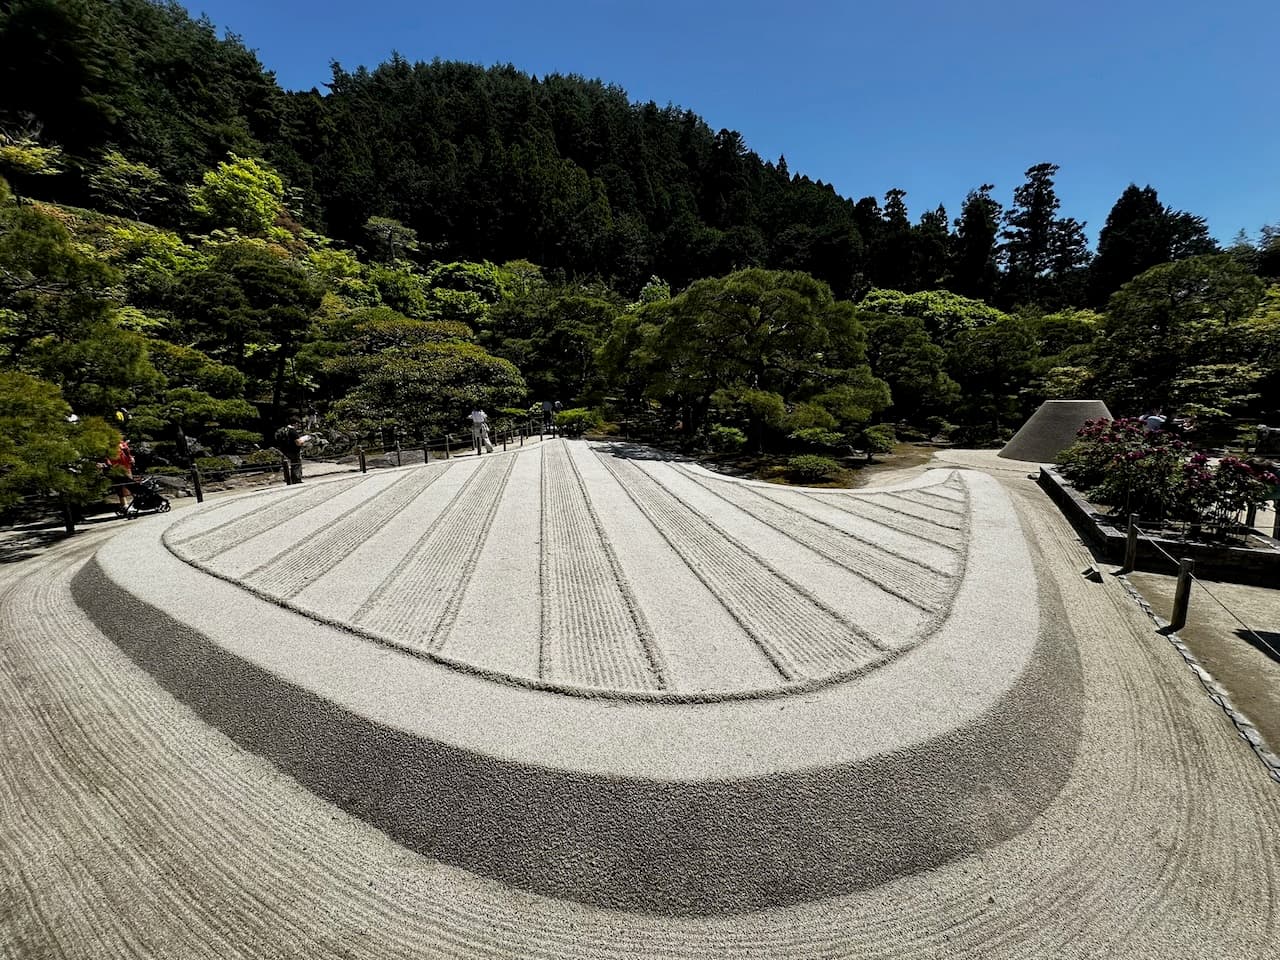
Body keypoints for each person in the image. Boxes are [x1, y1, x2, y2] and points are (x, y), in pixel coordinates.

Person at [104, 439, 135, 514]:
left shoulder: (121, 443)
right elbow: (106, 457)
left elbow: (127, 452)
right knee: (120, 487)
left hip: (126, 466)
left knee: (131, 486)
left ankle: (133, 503)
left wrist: (131, 458)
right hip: (116, 468)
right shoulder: (107, 445)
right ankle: (125, 504)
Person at [275, 419, 307, 484]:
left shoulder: (284, 430)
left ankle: (290, 480)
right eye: (298, 424)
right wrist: (303, 440)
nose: (299, 425)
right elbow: (298, 443)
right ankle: (296, 479)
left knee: (290, 465)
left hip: (285, 450)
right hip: (294, 451)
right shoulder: (293, 432)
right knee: (296, 464)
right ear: (295, 423)